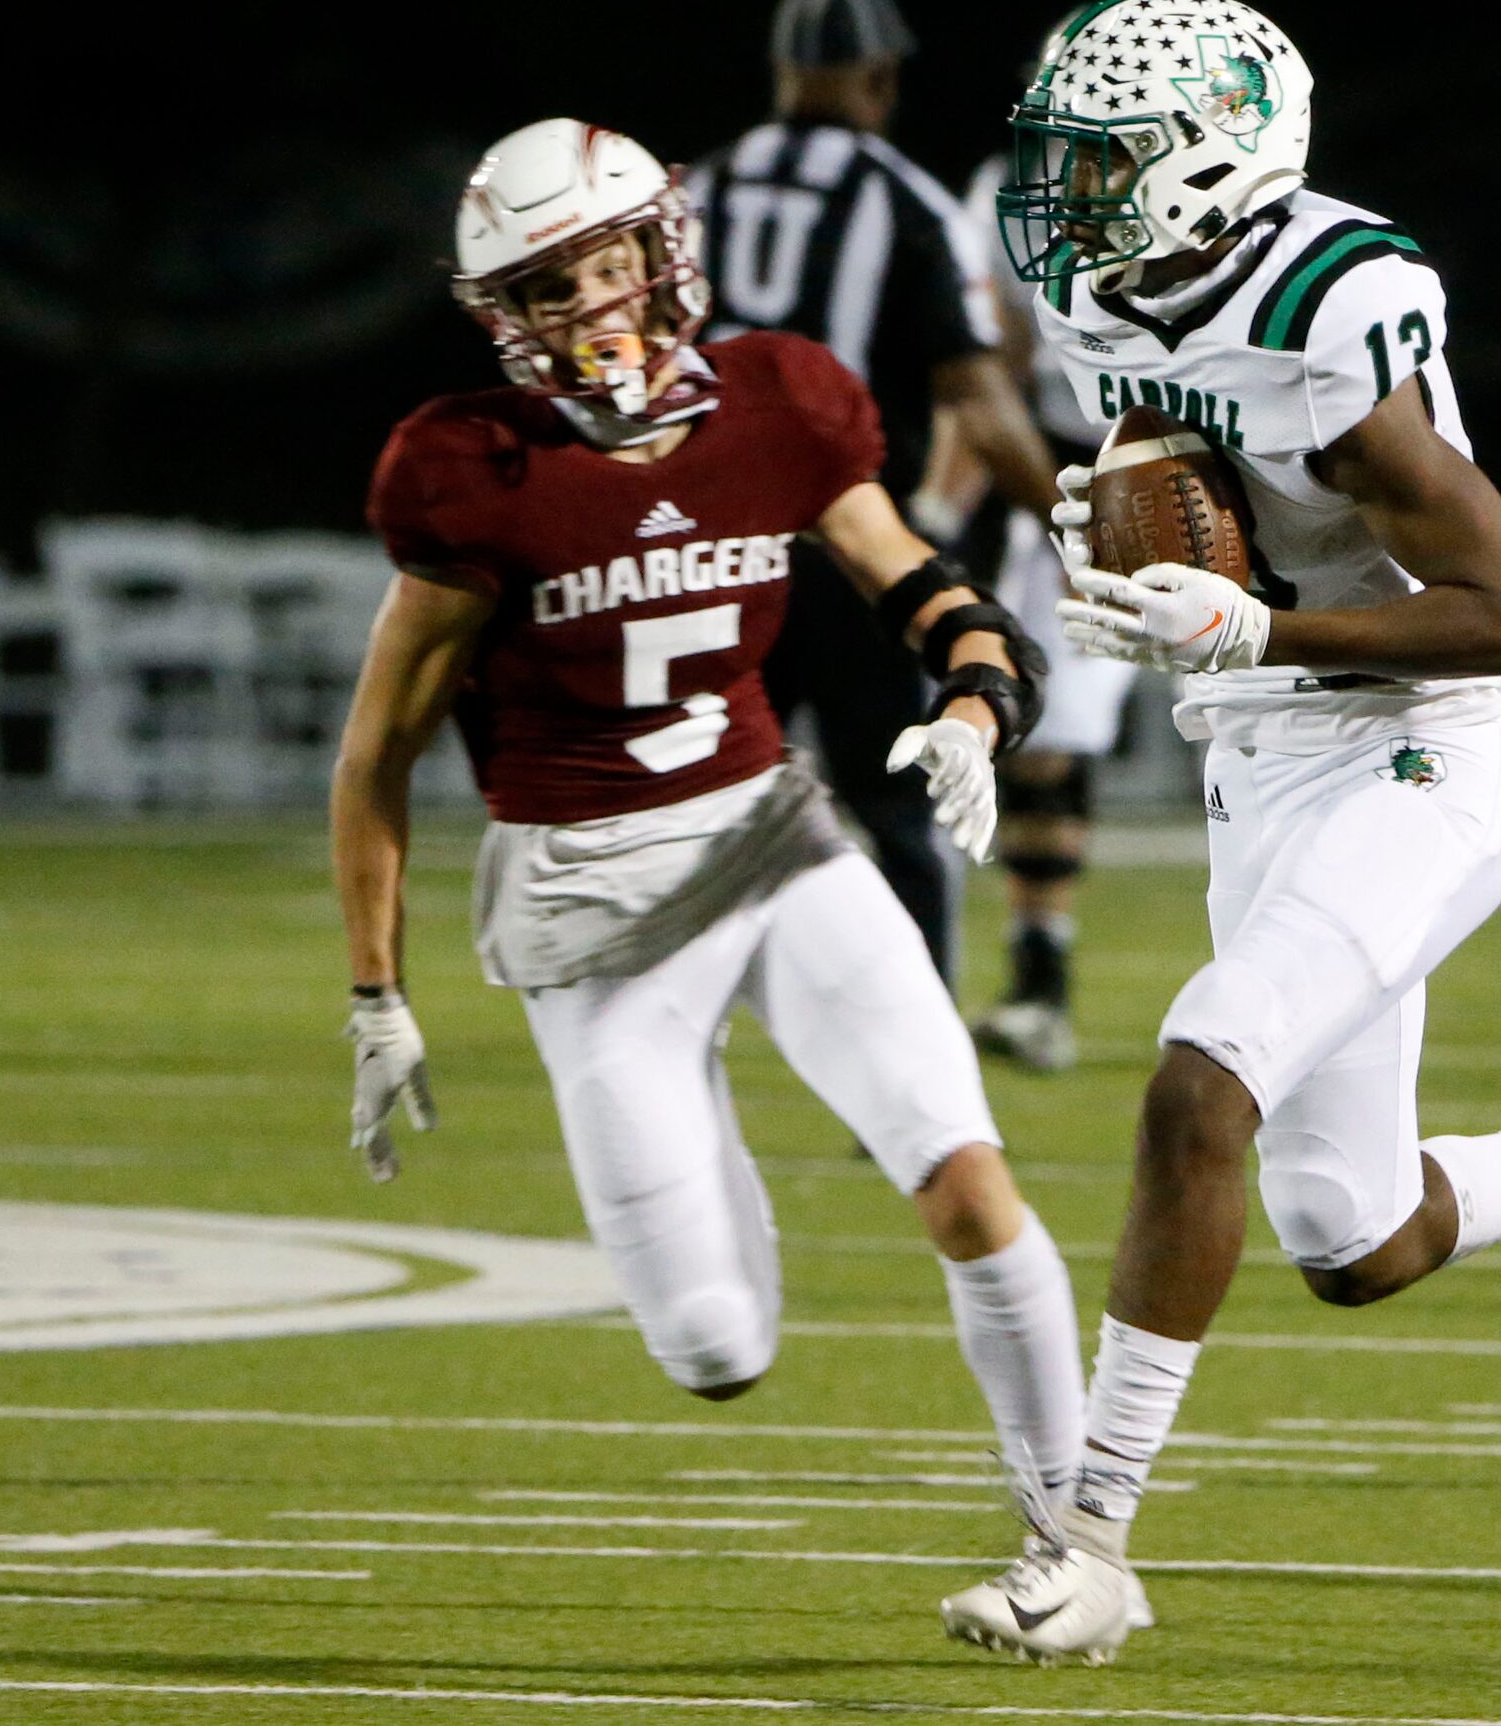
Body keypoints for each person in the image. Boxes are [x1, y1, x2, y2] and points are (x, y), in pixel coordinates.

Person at [936, 0, 1501, 1667]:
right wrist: (1121, 519)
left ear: (1209, 158)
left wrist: (1258, 624)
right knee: (1354, 1238)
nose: (1066, 195)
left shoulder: (1335, 301)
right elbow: (1178, 450)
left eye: (1102, 161)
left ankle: (1086, 1541)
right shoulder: (1095, 288)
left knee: (1201, 1072)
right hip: (1255, 758)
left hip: (1421, 747)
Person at [330, 119, 1087, 1493]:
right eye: (547, 286)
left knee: (963, 1176)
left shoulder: (780, 406)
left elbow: (934, 594)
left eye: (603, 261)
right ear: (507, 316)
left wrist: (973, 712)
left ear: (660, 249)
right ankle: (691, 1100)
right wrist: (377, 990)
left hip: (769, 841)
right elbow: (375, 754)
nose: (590, 306)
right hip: (586, 905)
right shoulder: (473, 473)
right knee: (712, 1347)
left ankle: (1078, 1535)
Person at [690, 0, 1058, 984]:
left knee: (685, 797)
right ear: (882, 77)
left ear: (780, 70)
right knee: (900, 803)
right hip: (852, 553)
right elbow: (980, 399)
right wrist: (1074, 528)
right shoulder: (908, 202)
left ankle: (670, 1024)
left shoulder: (692, 190)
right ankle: (916, 1055)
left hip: (698, 549)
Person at [960, 132, 1142, 1072]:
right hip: (1057, 476)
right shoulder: (1010, 184)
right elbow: (993, 355)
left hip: (1173, 471)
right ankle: (1040, 980)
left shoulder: (1211, 197)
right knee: (1044, 740)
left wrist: (1141, 497)